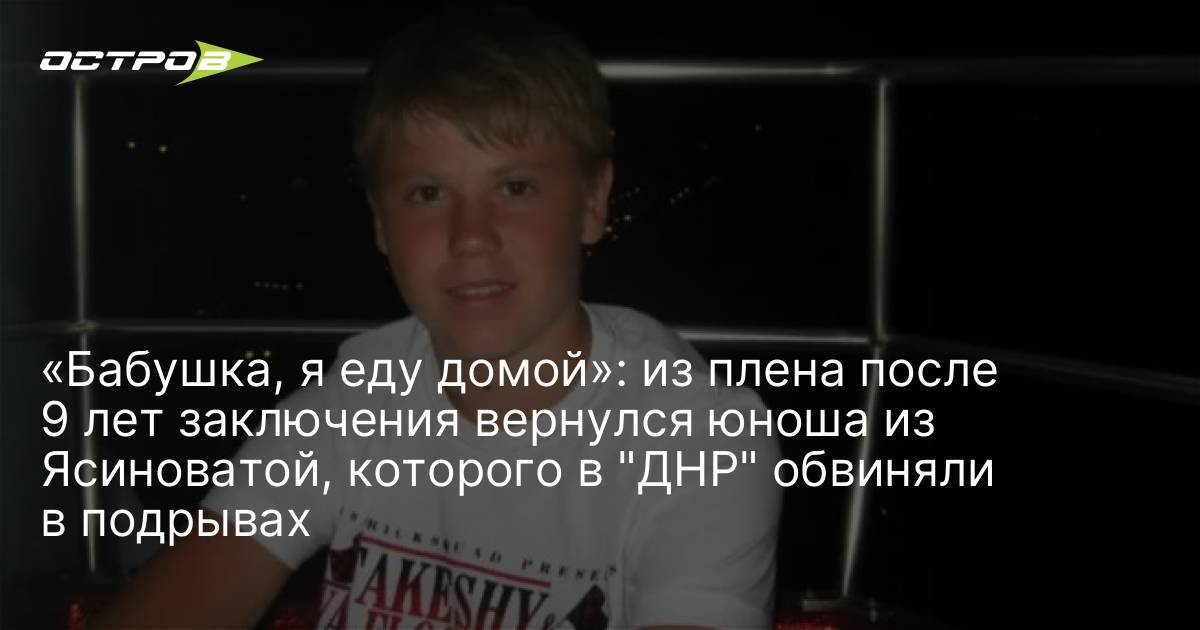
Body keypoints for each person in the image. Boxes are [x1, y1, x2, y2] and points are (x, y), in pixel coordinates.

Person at [93, 5, 781, 629]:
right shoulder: (354, 398)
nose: (470, 236)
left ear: (594, 201)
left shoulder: (700, 441)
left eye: (515, 187)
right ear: (381, 224)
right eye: (428, 193)